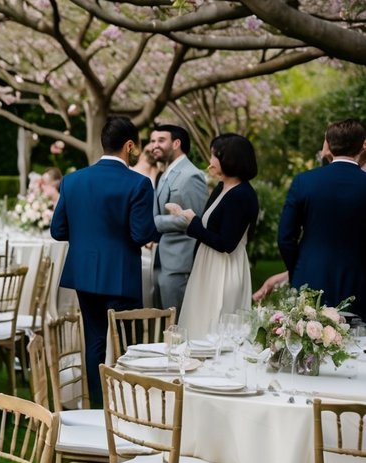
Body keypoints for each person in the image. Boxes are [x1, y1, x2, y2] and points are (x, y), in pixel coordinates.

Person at [50, 116, 159, 400]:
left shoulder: (73, 180)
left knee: (96, 339)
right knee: (126, 342)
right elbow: (140, 234)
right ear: (129, 145)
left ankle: (99, 405)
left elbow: (58, 229)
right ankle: (125, 406)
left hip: (85, 275)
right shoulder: (139, 184)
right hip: (121, 275)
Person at [170, 134, 260, 340]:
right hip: (208, 266)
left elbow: (225, 243)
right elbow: (211, 226)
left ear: (229, 159)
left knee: (215, 327)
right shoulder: (222, 187)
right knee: (197, 324)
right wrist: (187, 216)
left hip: (223, 269)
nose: (210, 161)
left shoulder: (241, 195)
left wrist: (192, 221)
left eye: (213, 156)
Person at [278, 118, 366, 318]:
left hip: (310, 277)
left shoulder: (304, 182)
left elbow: (285, 238)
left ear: (328, 144)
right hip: (359, 282)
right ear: (362, 145)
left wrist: (297, 269)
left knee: (309, 342)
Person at [148, 124, 208, 315]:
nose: (154, 145)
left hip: (180, 264)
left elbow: (194, 221)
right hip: (162, 260)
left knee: (178, 325)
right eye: (152, 141)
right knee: (166, 323)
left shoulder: (191, 176)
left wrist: (154, 222)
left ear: (176, 143)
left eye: (160, 140)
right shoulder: (166, 173)